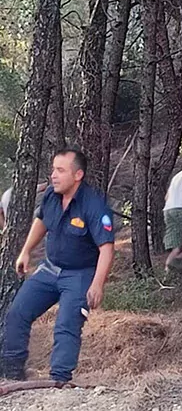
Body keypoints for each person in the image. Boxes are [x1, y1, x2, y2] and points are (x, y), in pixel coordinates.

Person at [0, 149, 115, 383]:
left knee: (66, 325)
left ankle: (58, 381)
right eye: (53, 169)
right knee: (17, 313)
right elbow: (41, 220)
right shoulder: (52, 195)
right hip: (49, 269)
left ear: (77, 175)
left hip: (80, 274)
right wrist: (25, 251)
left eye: (60, 170)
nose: (53, 175)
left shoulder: (94, 205)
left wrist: (97, 285)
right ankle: (11, 374)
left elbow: (107, 249)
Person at [163, 167, 182, 272]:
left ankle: (167, 273)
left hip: (169, 209)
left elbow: (166, 196)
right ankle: (177, 265)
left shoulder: (178, 175)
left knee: (176, 247)